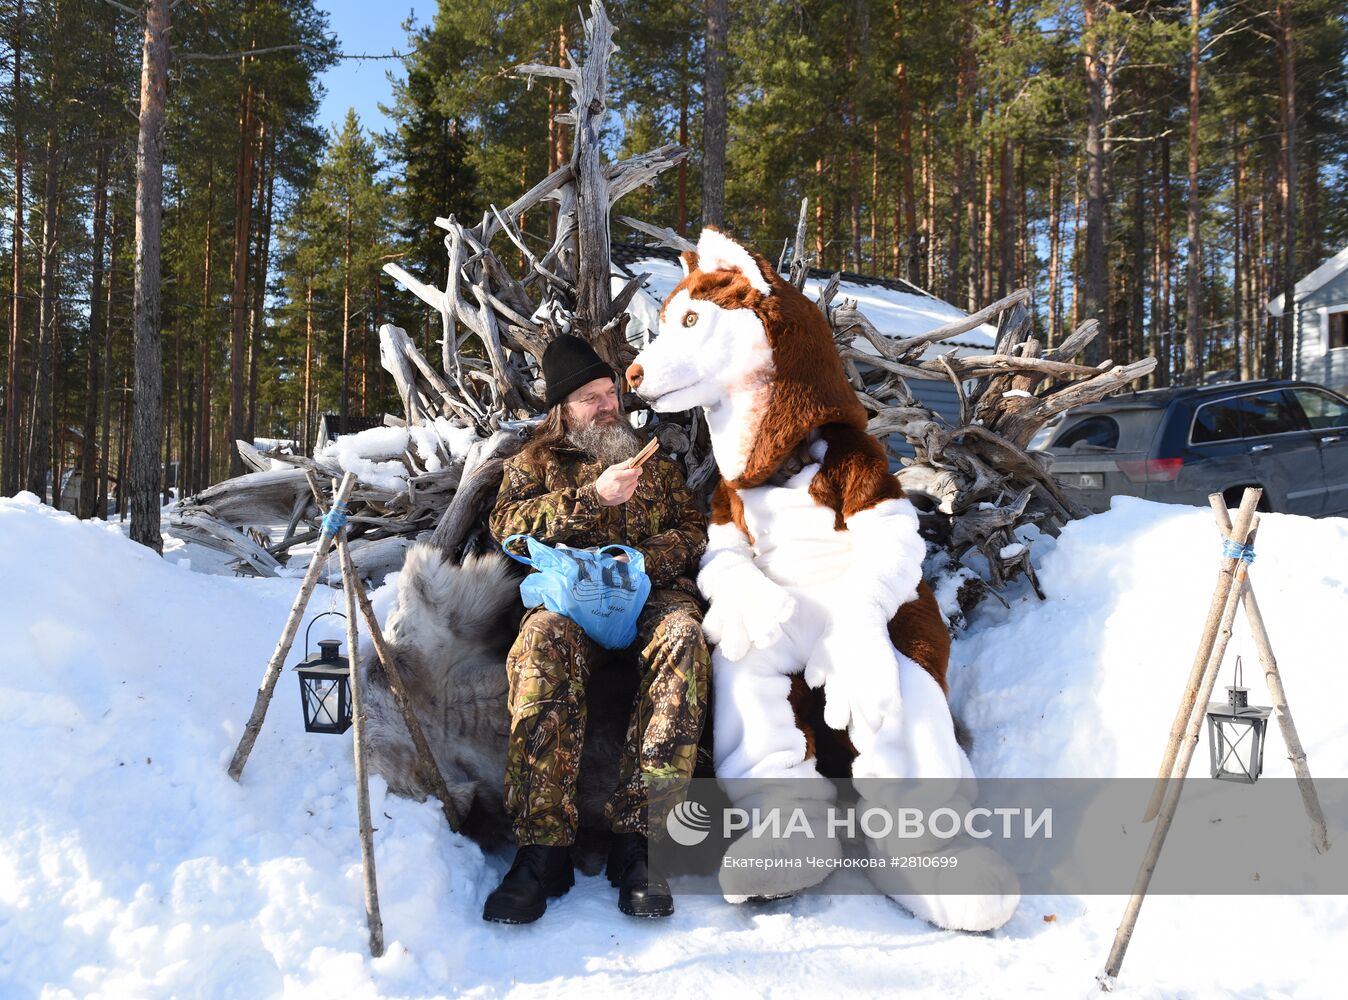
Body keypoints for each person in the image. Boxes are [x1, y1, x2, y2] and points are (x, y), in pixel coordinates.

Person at [483, 334, 711, 924]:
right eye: (590, 397)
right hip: (572, 602)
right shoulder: (533, 464)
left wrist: (636, 564)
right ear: (562, 409)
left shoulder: (652, 460)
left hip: (649, 596)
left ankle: (642, 842)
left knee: (683, 635)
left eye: (610, 393)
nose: (608, 405)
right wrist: (590, 499)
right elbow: (508, 531)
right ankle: (543, 848)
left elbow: (694, 529)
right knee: (539, 642)